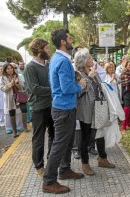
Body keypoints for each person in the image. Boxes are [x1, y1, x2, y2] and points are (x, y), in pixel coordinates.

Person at [42, 29, 86, 194]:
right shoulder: (63, 61)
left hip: (64, 107)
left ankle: (65, 169)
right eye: (69, 37)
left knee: (66, 142)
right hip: (64, 108)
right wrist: (80, 86)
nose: (71, 39)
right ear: (62, 42)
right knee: (59, 145)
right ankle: (49, 181)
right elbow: (66, 88)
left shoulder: (57, 59)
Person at [24, 38, 55, 177]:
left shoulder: (48, 65)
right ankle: (39, 165)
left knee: (53, 135)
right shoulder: (30, 67)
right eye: (47, 48)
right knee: (38, 138)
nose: (49, 50)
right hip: (38, 108)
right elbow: (34, 88)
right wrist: (53, 89)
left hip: (52, 106)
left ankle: (51, 160)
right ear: (39, 50)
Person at [74, 48, 98, 176]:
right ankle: (85, 163)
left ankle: (102, 158)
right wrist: (89, 78)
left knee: (96, 132)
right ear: (83, 61)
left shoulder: (91, 71)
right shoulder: (78, 74)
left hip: (96, 106)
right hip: (85, 108)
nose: (91, 59)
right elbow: (80, 90)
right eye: (89, 57)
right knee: (85, 135)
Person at [0, 63, 28, 138]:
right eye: (8, 69)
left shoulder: (17, 76)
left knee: (21, 111)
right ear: (5, 70)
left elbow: (22, 86)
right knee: (11, 112)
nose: (10, 70)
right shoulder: (2, 78)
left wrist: (17, 83)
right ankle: (14, 131)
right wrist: (11, 84)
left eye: (11, 68)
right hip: (10, 98)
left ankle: (23, 126)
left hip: (19, 96)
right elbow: (3, 89)